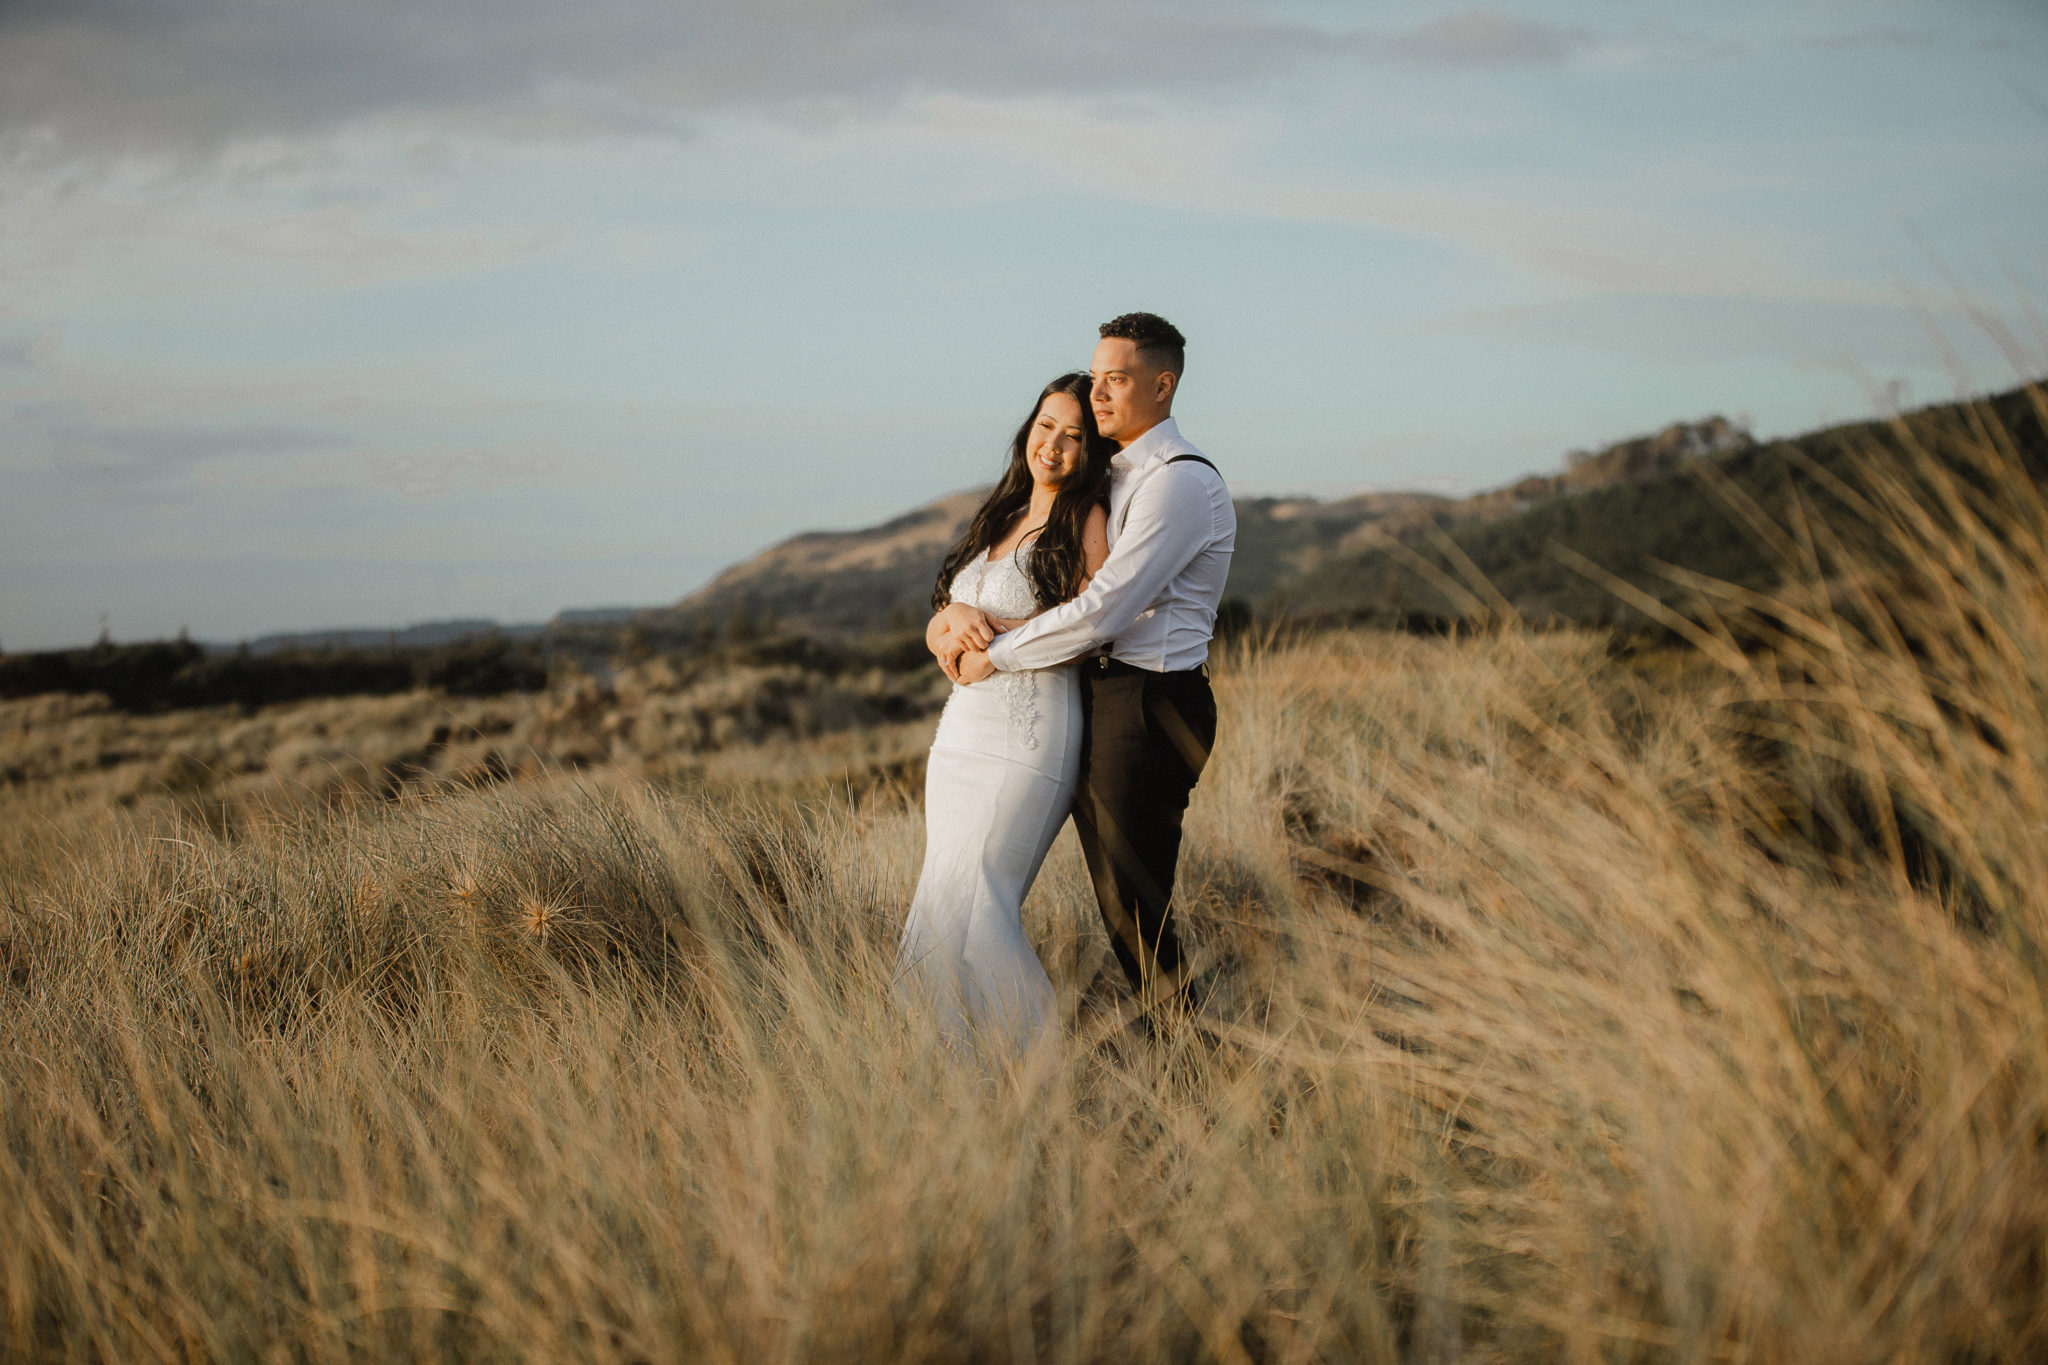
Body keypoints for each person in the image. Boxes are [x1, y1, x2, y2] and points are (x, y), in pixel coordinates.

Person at [944, 313, 1234, 1014]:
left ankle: (1192, 1074)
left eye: (1118, 380)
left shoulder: (1176, 483)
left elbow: (1104, 609)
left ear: (1162, 386)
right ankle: (1178, 1063)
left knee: (1136, 909)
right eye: (1096, 377)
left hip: (1149, 701)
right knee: (1121, 907)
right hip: (1099, 697)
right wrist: (951, 618)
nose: (1099, 393)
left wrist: (998, 655)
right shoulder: (1116, 478)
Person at [895, 372, 1113, 1052]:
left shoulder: (1088, 520)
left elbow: (1090, 627)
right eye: (1046, 426)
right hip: (959, 738)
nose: (1053, 445)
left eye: (1073, 436)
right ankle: (948, 1074)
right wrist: (950, 623)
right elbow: (943, 615)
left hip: (1028, 735)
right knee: (940, 903)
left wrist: (996, 649)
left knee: (985, 903)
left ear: (1090, 451)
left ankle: (1044, 1073)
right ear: (1028, 429)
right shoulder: (999, 513)